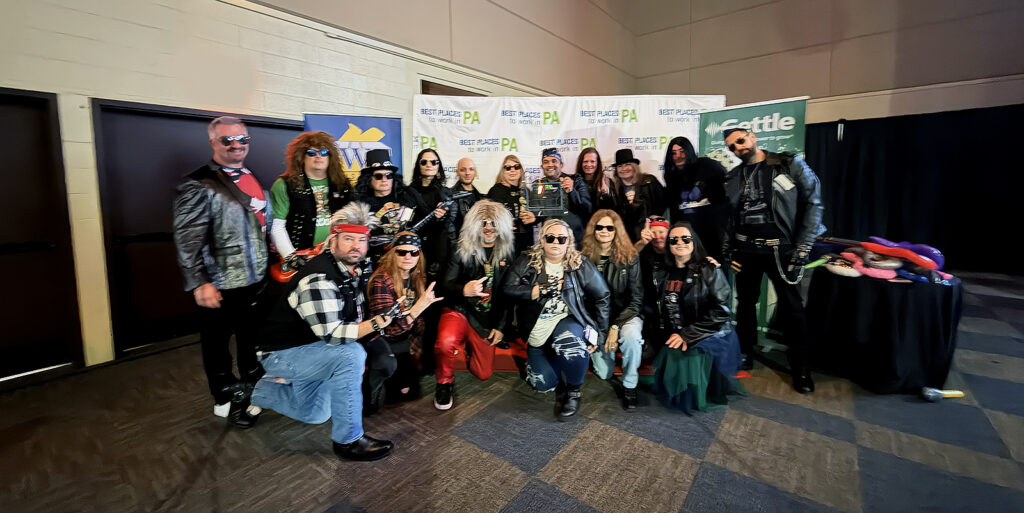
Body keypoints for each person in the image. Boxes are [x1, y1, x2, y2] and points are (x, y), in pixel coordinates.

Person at [251, 202, 394, 461]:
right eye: (348, 238)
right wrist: (377, 324)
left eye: (361, 240)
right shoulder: (319, 278)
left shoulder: (352, 268)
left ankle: (251, 391)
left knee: (315, 413)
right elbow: (334, 335)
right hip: (281, 353)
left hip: (312, 348)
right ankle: (348, 441)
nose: (356, 246)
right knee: (351, 355)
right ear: (333, 240)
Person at [173, 116, 271, 421]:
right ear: (213, 142)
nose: (236, 145)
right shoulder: (198, 182)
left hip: (257, 278)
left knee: (250, 341)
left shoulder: (252, 176)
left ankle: (253, 391)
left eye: (242, 139)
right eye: (227, 140)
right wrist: (199, 281)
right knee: (217, 345)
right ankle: (225, 397)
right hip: (220, 281)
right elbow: (187, 238)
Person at [721, 128, 825, 393]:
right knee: (745, 304)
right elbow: (729, 218)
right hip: (746, 249)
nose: (738, 148)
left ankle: (801, 366)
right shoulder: (733, 177)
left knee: (792, 308)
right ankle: (745, 352)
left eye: (740, 141)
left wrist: (803, 247)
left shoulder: (788, 164)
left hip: (782, 249)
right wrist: (728, 252)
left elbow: (814, 203)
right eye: (731, 147)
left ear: (752, 136)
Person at [505, 219, 610, 420]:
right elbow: (508, 288)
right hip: (537, 328)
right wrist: (534, 291)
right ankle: (554, 361)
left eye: (561, 239)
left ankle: (574, 392)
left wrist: (601, 334)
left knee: (572, 348)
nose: (555, 242)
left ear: (568, 241)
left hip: (566, 320)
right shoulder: (527, 260)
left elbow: (602, 295)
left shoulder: (579, 263)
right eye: (550, 238)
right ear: (542, 240)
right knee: (542, 384)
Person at [652, 222, 743, 413]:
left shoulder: (709, 269)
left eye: (686, 238)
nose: (680, 243)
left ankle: (698, 395)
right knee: (670, 354)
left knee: (687, 357)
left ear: (694, 242)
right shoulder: (661, 271)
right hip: (678, 330)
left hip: (708, 331)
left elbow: (722, 311)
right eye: (673, 239)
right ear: (668, 245)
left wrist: (687, 335)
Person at [433, 200, 516, 410]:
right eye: (483, 223)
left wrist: (501, 327)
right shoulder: (460, 248)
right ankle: (444, 383)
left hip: (484, 319)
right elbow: (444, 285)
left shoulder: (507, 252)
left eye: (493, 223)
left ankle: (470, 344)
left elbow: (509, 295)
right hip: (459, 310)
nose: (488, 228)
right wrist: (463, 289)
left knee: (483, 373)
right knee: (445, 342)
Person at [365, 232, 444, 412]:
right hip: (383, 339)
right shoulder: (381, 280)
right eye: (402, 252)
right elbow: (387, 328)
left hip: (406, 338)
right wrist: (416, 309)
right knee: (378, 400)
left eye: (413, 252)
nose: (408, 257)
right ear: (393, 253)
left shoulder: (418, 277)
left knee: (409, 392)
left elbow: (419, 323)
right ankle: (369, 392)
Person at [580, 210, 644, 409]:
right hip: (597, 319)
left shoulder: (630, 257)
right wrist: (596, 328)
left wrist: (615, 327)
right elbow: (581, 299)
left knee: (631, 337)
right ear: (593, 230)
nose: (604, 231)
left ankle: (630, 384)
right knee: (604, 373)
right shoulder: (583, 258)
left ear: (617, 231)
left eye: (610, 227)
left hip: (626, 315)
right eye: (600, 227)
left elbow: (636, 300)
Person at [269, 131, 352, 271]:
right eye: (312, 153)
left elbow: (352, 225)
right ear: (301, 157)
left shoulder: (342, 185)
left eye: (324, 152)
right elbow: (277, 226)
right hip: (299, 260)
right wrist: (291, 257)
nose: (318, 156)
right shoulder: (284, 185)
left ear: (331, 156)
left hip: (335, 260)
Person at [354, 148, 430, 257]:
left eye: (389, 175)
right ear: (369, 179)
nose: (384, 179)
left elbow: (428, 218)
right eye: (378, 176)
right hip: (377, 258)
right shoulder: (361, 204)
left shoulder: (409, 194)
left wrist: (440, 216)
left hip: (410, 255)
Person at [663, 136, 728, 262]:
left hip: (713, 235)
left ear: (689, 151)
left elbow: (728, 191)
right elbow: (674, 210)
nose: (678, 156)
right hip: (687, 239)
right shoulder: (671, 176)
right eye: (674, 153)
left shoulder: (707, 165)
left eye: (682, 151)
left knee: (715, 270)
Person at [409, 148, 456, 277]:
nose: (429, 165)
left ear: (438, 166)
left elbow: (449, 226)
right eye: (424, 162)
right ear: (418, 166)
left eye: (434, 162)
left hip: (438, 252)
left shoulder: (446, 193)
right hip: (414, 250)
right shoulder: (409, 192)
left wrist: (442, 218)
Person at [531, 147, 592, 245]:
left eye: (554, 161)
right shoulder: (538, 185)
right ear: (542, 166)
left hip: (575, 241)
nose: (550, 164)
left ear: (561, 164)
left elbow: (587, 209)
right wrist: (531, 217)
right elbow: (537, 214)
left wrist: (572, 191)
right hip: (551, 241)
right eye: (546, 162)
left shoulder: (576, 180)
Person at [634, 215, 671, 358]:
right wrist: (641, 243)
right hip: (648, 308)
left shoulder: (675, 250)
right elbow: (626, 258)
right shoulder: (645, 252)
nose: (657, 237)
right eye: (653, 232)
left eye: (661, 232)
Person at [487, 154, 536, 255]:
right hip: (504, 242)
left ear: (521, 170)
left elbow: (536, 215)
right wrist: (502, 226)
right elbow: (488, 217)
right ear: (503, 171)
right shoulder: (496, 191)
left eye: (516, 167)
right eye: (508, 168)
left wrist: (533, 218)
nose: (512, 170)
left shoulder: (526, 191)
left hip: (525, 242)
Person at [612, 149, 664, 242]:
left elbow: (663, 203)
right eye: (620, 166)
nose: (623, 169)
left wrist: (655, 220)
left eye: (627, 164)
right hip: (627, 239)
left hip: (651, 236)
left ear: (634, 166)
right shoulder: (615, 190)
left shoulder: (649, 182)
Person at [448, 157, 485, 233]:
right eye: (463, 170)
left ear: (475, 172)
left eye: (471, 169)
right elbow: (449, 228)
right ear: (457, 172)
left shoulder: (481, 197)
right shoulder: (450, 196)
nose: (467, 173)